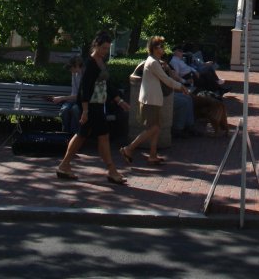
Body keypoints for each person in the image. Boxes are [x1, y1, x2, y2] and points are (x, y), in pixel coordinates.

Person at [56, 31, 130, 185]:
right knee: (103, 136)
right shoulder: (90, 63)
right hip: (91, 106)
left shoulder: (101, 62)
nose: (105, 51)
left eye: (107, 48)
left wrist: (119, 100)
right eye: (103, 48)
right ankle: (112, 171)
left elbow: (106, 85)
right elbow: (84, 89)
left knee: (81, 134)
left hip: (97, 104)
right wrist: (85, 111)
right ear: (95, 45)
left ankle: (64, 165)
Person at [120, 36, 190, 166]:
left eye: (163, 46)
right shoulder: (152, 62)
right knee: (154, 128)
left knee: (155, 128)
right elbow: (166, 80)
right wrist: (181, 86)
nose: (163, 48)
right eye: (161, 46)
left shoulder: (155, 61)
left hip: (153, 100)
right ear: (154, 48)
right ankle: (129, 148)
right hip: (150, 100)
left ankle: (152, 155)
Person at [50, 54, 84, 134]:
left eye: (71, 67)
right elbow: (74, 92)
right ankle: (65, 133)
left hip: (83, 102)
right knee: (64, 110)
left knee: (75, 110)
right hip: (75, 99)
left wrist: (62, 98)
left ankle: (74, 134)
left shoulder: (85, 76)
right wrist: (64, 100)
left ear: (77, 66)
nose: (69, 69)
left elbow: (81, 96)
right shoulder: (74, 74)